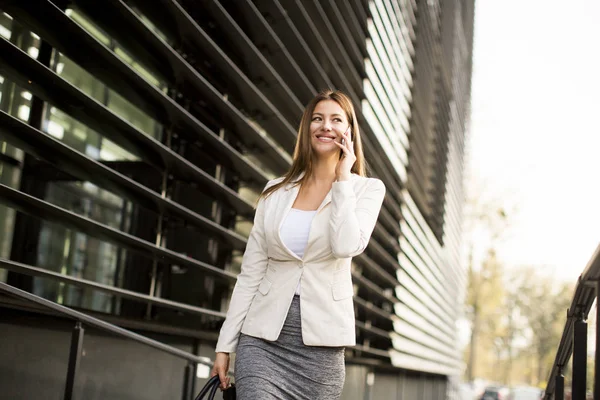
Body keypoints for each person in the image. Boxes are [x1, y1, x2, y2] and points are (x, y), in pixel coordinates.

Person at [211, 89, 386, 399]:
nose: (325, 126)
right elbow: (250, 274)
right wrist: (225, 345)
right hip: (262, 340)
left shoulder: (367, 189)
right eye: (317, 119)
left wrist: (343, 179)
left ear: (349, 131)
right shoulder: (274, 191)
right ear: (307, 128)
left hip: (321, 351)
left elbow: (346, 246)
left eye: (336, 119)